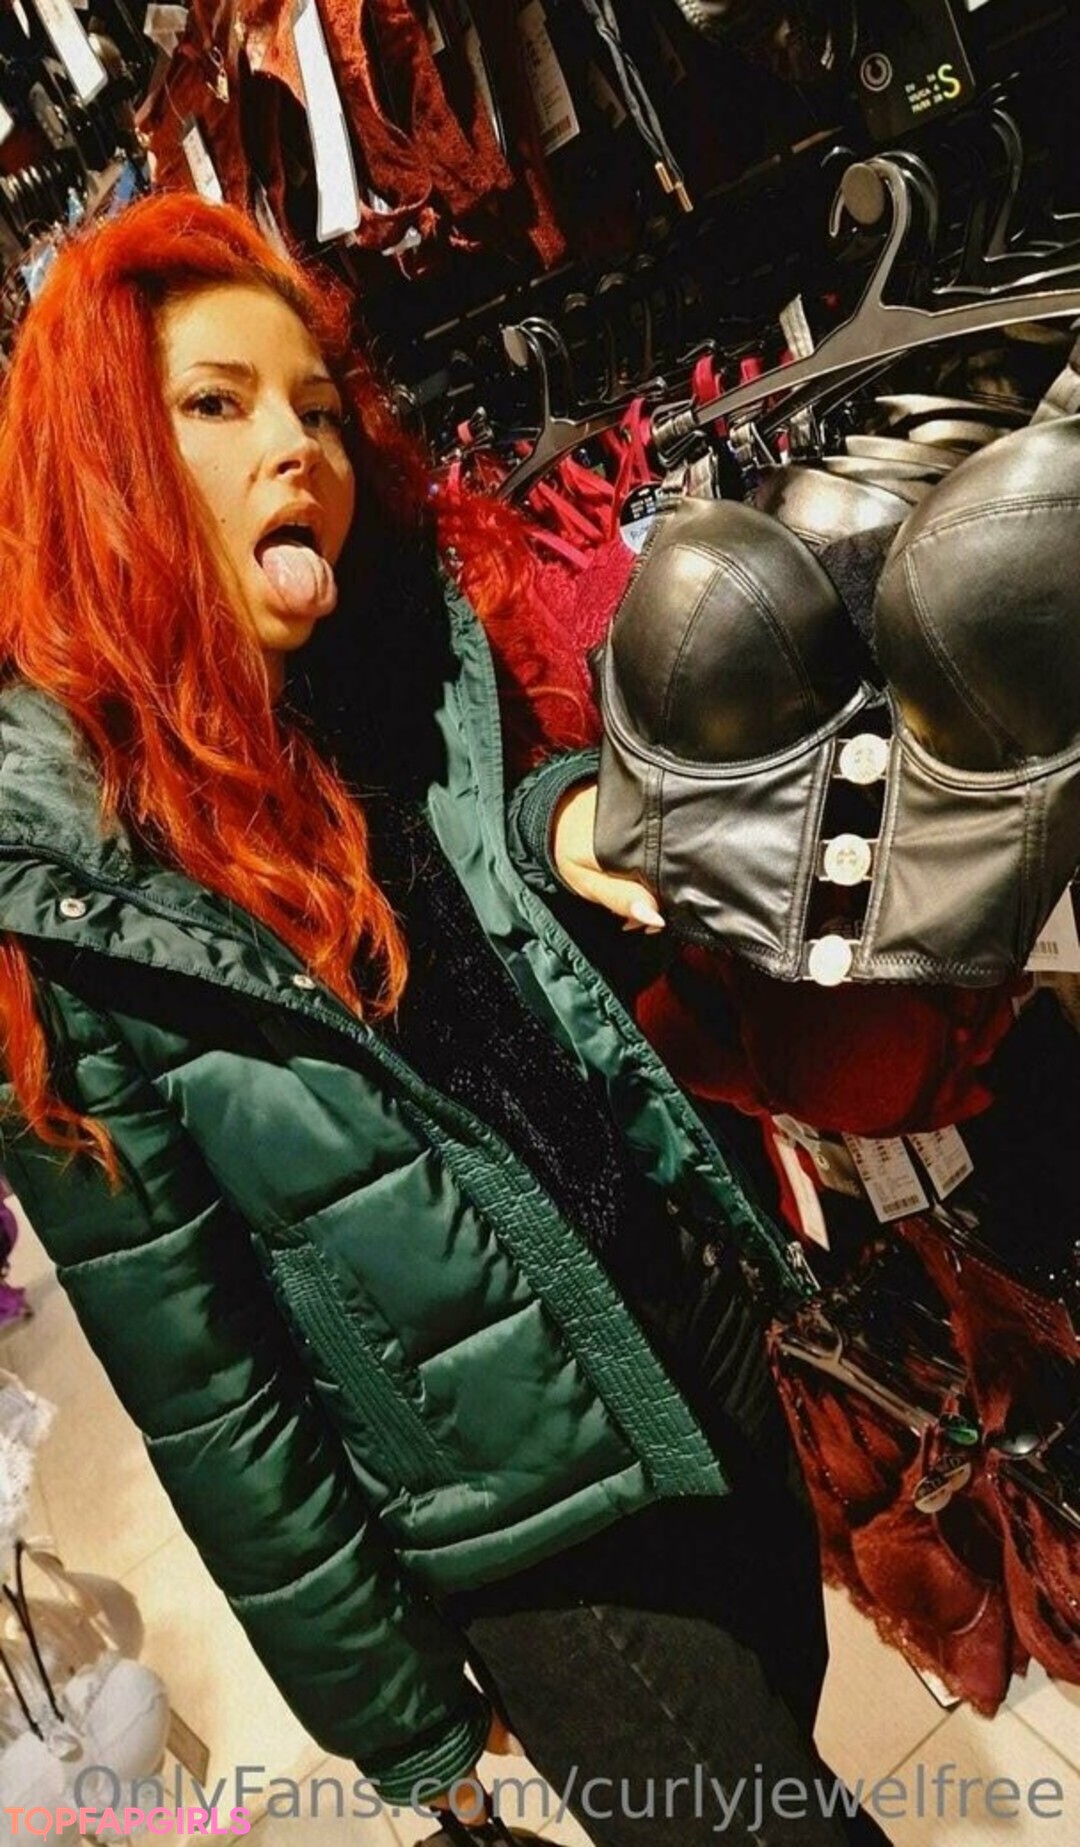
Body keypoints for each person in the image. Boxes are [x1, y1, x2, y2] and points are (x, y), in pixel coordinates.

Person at [0, 193, 889, 1847]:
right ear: (98, 456)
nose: (295, 447)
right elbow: (204, 1382)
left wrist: (563, 822)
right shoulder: (70, 891)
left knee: (796, 1740)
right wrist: (401, 1721)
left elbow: (485, 915)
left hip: (690, 1341)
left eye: (317, 409)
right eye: (215, 403)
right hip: (535, 1535)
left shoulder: (395, 659)